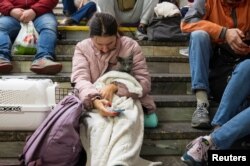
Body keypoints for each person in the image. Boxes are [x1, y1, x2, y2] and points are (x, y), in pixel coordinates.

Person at [71, 12, 161, 165]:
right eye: (99, 45)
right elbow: (80, 79)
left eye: (110, 44)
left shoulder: (130, 45)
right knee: (99, 126)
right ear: (91, 37)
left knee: (125, 122)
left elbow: (144, 82)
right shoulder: (82, 48)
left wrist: (115, 87)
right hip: (92, 101)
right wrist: (96, 101)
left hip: (128, 99)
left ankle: (119, 162)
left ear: (117, 36)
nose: (105, 49)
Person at [180, 0, 250, 165]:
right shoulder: (207, 1)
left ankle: (212, 139)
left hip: (240, 63)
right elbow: (186, 24)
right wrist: (223, 32)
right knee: (198, 35)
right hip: (217, 65)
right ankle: (203, 104)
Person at [0, 0, 62, 75]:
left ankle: (44, 58)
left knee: (48, 26)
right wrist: (11, 10)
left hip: (41, 13)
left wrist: (34, 10)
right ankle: (1, 57)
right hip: (12, 14)